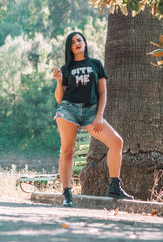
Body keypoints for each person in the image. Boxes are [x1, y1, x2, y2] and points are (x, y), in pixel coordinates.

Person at [53, 31, 133, 207]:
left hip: (91, 112)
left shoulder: (96, 64)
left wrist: (99, 116)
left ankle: (114, 187)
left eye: (80, 40)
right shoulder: (66, 69)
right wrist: (59, 80)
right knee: (68, 151)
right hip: (69, 110)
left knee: (116, 142)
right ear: (70, 47)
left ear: (85, 43)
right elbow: (60, 99)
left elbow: (103, 92)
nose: (77, 43)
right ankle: (67, 194)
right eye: (73, 42)